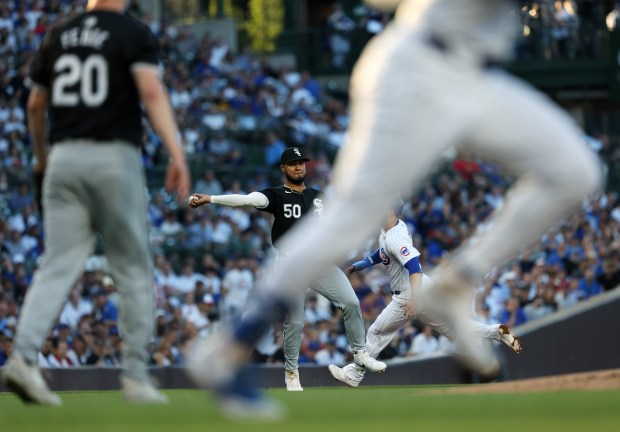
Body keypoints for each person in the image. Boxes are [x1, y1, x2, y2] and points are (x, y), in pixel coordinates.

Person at [187, 0, 603, 417]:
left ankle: (457, 282)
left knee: (574, 171)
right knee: (350, 217)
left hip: (473, 76)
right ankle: (228, 350)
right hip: (416, 67)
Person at [1, 0, 190, 406]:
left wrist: (40, 158)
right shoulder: (131, 32)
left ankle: (22, 357)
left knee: (57, 264)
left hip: (63, 158)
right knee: (133, 266)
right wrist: (176, 151)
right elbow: (151, 91)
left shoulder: (59, 33)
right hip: (112, 157)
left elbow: (35, 105)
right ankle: (137, 377)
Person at [188, 147, 386, 392]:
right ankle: (291, 373)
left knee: (351, 302)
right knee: (295, 321)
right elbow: (248, 200)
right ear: (283, 168)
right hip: (290, 264)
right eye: (292, 164)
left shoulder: (319, 196)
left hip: (318, 262)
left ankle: (360, 353)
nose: (298, 167)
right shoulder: (277, 195)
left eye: (301, 163)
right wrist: (212, 199)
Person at [328, 206, 521, 388]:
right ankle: (495, 331)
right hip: (419, 289)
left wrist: (414, 299)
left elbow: (414, 266)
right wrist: (362, 264)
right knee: (453, 331)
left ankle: (354, 375)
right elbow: (384, 252)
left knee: (376, 333)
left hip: (409, 292)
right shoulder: (390, 229)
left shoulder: (396, 237)